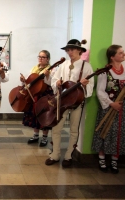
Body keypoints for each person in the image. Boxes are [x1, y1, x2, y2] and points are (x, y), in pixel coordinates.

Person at [45, 39, 94, 167]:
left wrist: (84, 85)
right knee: (56, 128)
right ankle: (55, 154)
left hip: (77, 102)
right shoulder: (64, 64)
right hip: (62, 100)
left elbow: (90, 87)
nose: (69, 52)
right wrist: (57, 83)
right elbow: (54, 79)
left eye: (72, 49)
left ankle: (68, 156)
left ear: (79, 50)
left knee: (73, 129)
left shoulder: (86, 66)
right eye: (68, 50)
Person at [92, 45, 125, 174]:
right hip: (109, 108)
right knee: (105, 132)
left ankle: (114, 160)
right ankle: (102, 159)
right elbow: (100, 91)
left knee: (119, 134)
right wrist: (112, 104)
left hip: (122, 109)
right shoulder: (104, 72)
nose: (123, 55)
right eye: (121, 53)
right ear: (112, 56)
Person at [21, 50, 53, 147]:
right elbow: (29, 81)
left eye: (43, 57)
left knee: (44, 115)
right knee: (34, 115)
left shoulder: (51, 69)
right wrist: (24, 80)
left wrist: (47, 76)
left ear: (47, 59)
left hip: (45, 95)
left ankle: (44, 137)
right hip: (35, 95)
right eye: (39, 56)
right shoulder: (34, 68)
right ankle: (35, 136)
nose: (40, 58)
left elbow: (52, 83)